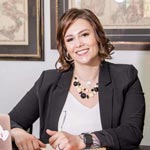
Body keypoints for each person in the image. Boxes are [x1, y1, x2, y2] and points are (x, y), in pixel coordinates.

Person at [9, 8, 145, 150]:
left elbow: (132, 132)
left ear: (98, 37)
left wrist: (83, 140)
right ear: (65, 47)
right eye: (70, 39)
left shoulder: (125, 76)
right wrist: (17, 132)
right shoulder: (49, 80)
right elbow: (10, 122)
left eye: (84, 35)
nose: (78, 44)